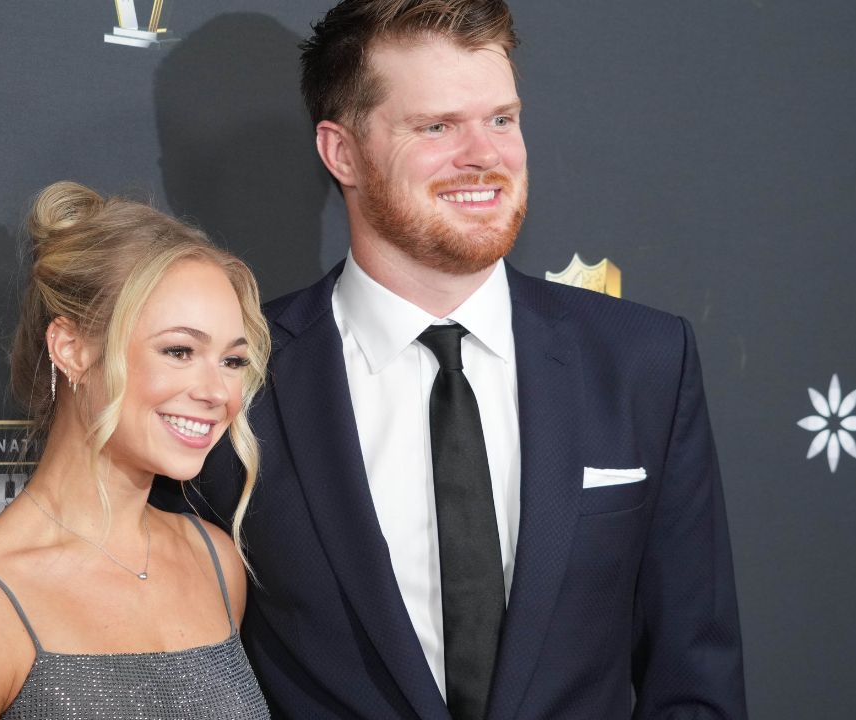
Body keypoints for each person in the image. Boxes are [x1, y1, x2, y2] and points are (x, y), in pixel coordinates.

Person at [176, 1, 747, 718]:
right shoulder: (240, 375)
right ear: (341, 152)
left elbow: (693, 678)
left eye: (502, 119)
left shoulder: (641, 362)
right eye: (437, 126)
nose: (486, 154)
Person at [0, 181, 272, 719]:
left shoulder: (214, 560)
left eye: (232, 361)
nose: (217, 392)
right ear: (73, 349)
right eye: (180, 350)